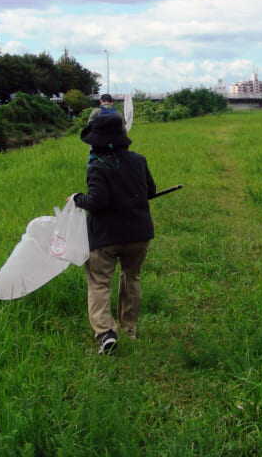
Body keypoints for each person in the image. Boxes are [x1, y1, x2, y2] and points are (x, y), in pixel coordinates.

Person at [67, 115, 157, 355]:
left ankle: (106, 332)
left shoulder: (98, 165)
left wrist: (77, 199)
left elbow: (97, 201)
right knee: (131, 278)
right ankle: (129, 330)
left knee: (99, 283)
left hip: (105, 237)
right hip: (138, 234)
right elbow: (151, 190)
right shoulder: (139, 160)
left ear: (98, 143)